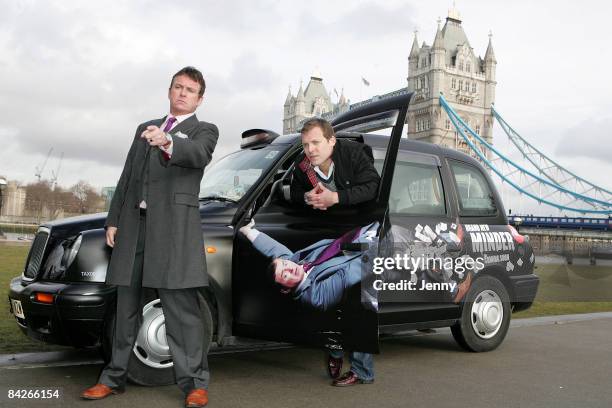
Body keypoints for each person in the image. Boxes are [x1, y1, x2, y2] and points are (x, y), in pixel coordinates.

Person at [81, 67, 218, 408]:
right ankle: (112, 379)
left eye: (190, 90)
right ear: (169, 90)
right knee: (125, 308)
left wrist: (169, 141)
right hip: (133, 228)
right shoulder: (144, 128)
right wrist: (113, 221)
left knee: (181, 313)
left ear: (199, 98)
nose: (183, 93)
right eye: (178, 87)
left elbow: (198, 155)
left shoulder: (205, 130)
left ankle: (194, 384)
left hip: (173, 233)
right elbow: (128, 175)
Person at [240, 219, 378, 386]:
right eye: (285, 276)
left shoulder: (296, 262)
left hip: (358, 241)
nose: (289, 269)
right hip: (364, 266)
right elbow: (353, 272)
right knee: (361, 312)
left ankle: (335, 348)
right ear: (285, 289)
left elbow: (276, 250)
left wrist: (248, 231)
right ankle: (361, 371)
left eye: (285, 264)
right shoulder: (315, 295)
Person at [290, 118, 380, 210]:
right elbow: (294, 192)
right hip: (320, 221)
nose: (310, 150)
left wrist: (335, 197)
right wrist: (307, 197)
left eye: (315, 142)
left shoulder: (353, 154)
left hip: (360, 220)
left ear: (332, 141)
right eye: (305, 145)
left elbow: (373, 187)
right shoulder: (302, 162)